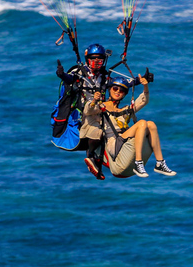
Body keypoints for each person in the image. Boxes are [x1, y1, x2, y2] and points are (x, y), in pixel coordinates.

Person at [56, 43, 147, 180]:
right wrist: (62, 75)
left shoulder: (104, 76)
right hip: (87, 110)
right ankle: (91, 156)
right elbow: (72, 79)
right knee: (97, 130)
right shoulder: (81, 73)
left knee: (109, 130)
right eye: (94, 59)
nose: (97, 62)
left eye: (100, 59)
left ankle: (102, 159)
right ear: (88, 59)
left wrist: (139, 81)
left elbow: (120, 84)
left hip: (101, 108)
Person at [83, 75, 176, 178]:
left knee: (151, 124)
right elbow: (88, 111)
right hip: (114, 144)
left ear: (124, 94)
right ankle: (138, 163)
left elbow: (143, 101)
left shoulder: (125, 110)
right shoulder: (101, 107)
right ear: (110, 89)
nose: (118, 91)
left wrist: (145, 86)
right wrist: (94, 101)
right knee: (141, 123)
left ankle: (160, 163)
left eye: (121, 90)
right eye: (115, 88)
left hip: (124, 140)